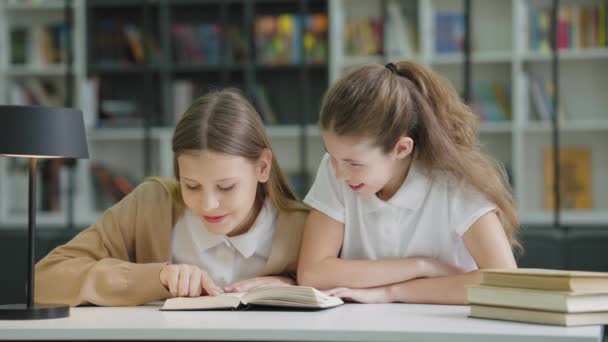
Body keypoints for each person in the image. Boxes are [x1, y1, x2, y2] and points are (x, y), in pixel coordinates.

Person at [35, 89, 308, 306]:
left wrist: (295, 287)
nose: (207, 204)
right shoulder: (151, 205)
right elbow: (44, 280)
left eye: (226, 187)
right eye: (191, 185)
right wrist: (158, 277)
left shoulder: (303, 227)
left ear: (262, 167)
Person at [297, 61, 519, 304]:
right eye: (332, 156)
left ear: (401, 148)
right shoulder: (337, 169)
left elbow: (505, 281)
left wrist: (392, 292)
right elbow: (313, 273)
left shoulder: (456, 183)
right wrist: (422, 267)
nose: (339, 174)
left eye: (355, 164)